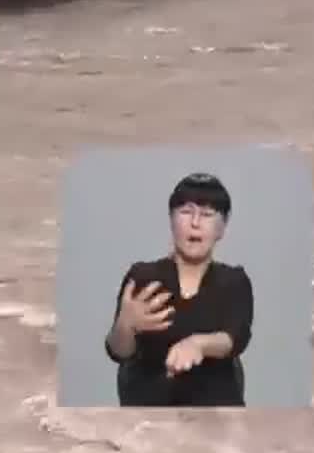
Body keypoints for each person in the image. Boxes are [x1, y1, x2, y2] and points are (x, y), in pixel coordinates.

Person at [104, 173, 254, 406]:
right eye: (185, 212)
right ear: (171, 220)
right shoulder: (143, 276)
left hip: (216, 417)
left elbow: (234, 338)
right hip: (147, 416)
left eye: (207, 214)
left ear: (222, 227)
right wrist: (125, 324)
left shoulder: (233, 280)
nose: (195, 222)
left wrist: (198, 344)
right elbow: (119, 352)